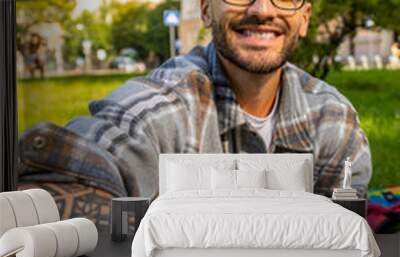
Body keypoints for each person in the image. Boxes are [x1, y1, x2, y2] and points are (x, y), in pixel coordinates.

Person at [18, 0, 372, 226]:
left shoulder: (334, 122)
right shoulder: (166, 109)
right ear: (205, 10)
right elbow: (89, 158)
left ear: (305, 18)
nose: (263, 9)